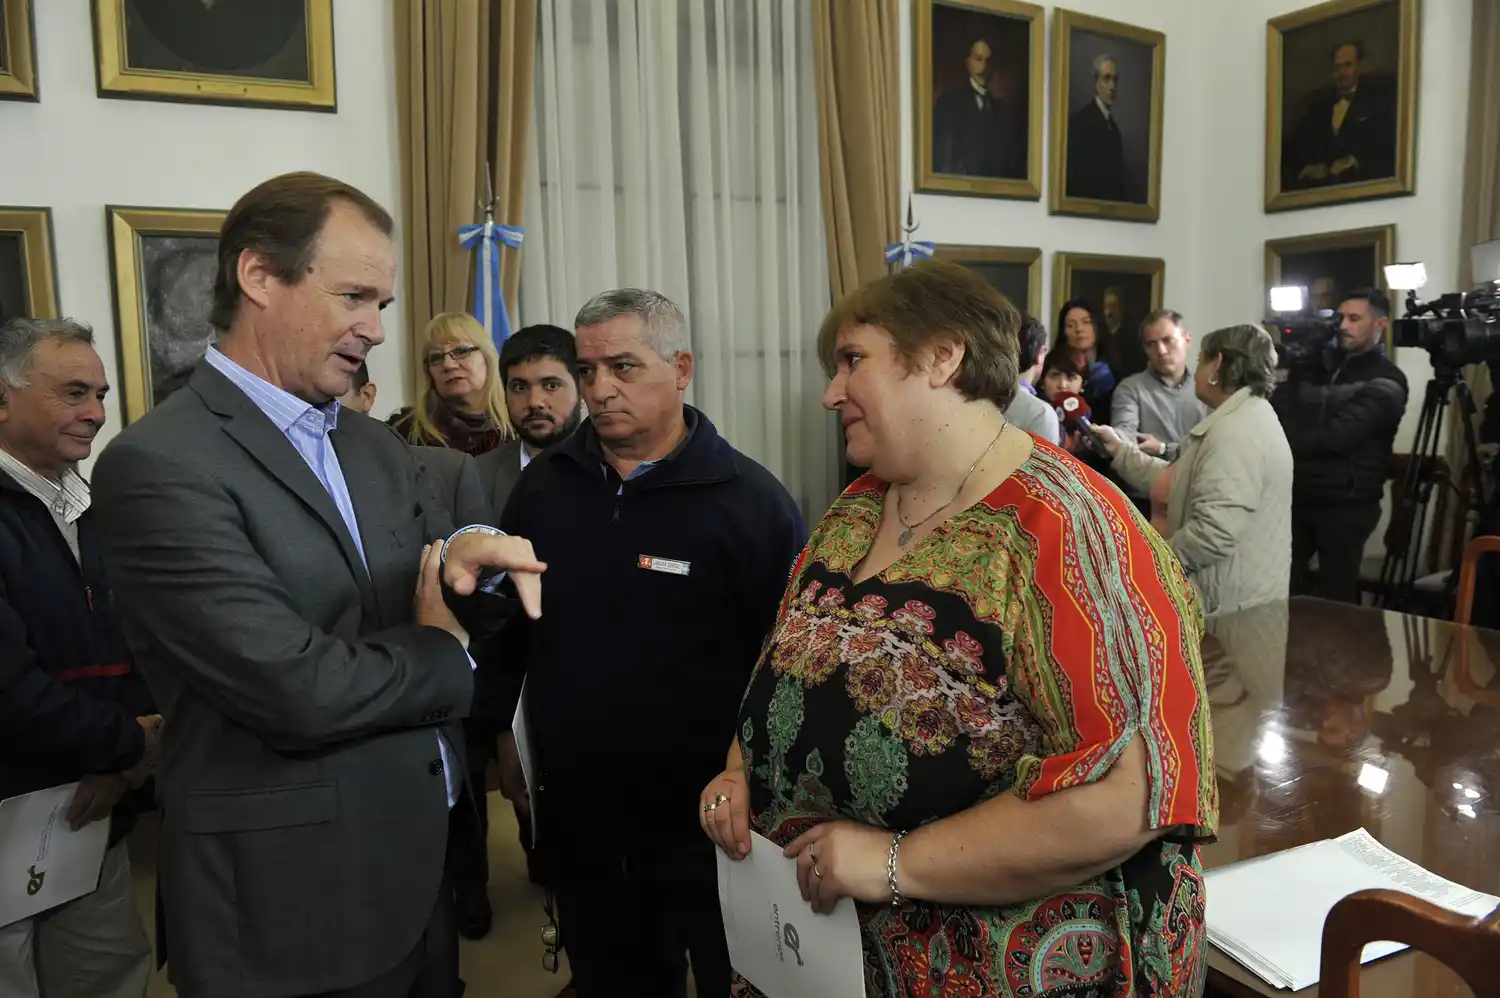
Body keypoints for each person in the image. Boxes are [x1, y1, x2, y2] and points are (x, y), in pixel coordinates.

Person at [699, 259, 1217, 997]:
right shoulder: (856, 510)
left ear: (944, 356)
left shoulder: (1073, 532)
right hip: (816, 953)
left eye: (853, 361)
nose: (830, 393)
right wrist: (738, 771)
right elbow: (780, 674)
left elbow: (1132, 794)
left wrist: (890, 864)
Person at [91, 171, 548, 998]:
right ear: (260, 276)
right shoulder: (158, 466)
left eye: (383, 303)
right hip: (287, 909)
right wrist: (447, 651)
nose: (377, 329)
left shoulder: (374, 447)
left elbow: (434, 586)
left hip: (416, 872)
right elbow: (296, 688)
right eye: (354, 298)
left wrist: (472, 570)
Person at [485, 288, 806, 998]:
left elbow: (788, 667)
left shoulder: (752, 504)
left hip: (711, 821)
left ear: (681, 366)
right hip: (583, 814)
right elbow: (510, 632)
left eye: (623, 368)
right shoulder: (544, 489)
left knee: (732, 979)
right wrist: (505, 742)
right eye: (589, 370)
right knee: (613, 979)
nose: (600, 391)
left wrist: (755, 778)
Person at [0, 317, 159, 998]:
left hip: (94, 817)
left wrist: (126, 769)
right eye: (72, 393)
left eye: (100, 393)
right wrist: (133, 746)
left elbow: (136, 649)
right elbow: (10, 691)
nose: (97, 414)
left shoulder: (88, 508)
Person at [1091, 323, 1294, 620]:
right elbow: (1178, 482)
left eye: (1200, 361)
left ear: (1218, 364)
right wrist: (1120, 451)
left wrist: (1152, 566)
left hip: (1230, 611)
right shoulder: (1240, 419)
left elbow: (1215, 531)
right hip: (1234, 603)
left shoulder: (1236, 432)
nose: (1195, 370)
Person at [1272, 288, 1407, 603]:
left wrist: (1290, 435)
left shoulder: (1388, 379)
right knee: (1279, 587)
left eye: (1354, 318)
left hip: (1348, 503)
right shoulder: (1315, 369)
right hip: (1299, 497)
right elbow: (1277, 414)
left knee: (1337, 597)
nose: (1344, 326)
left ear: (1380, 324)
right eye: (1340, 318)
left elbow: (1336, 438)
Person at [476, 323, 583, 518]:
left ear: (581, 389)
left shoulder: (618, 466)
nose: (534, 403)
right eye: (520, 387)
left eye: (551, 385)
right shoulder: (478, 476)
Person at [389, 312, 511, 456]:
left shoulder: (518, 425)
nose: (448, 365)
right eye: (436, 357)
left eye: (460, 351)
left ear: (487, 357)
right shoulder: (404, 433)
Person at [1284, 41, 1397, 190]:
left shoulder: (1379, 101)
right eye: (1337, 67)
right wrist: (1307, 167)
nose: (1341, 73)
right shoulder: (1318, 103)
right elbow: (1293, 147)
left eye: (1348, 65)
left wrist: (1354, 160)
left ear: (1360, 66)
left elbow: (1387, 147)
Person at [1111, 310, 1208, 463]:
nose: (1161, 351)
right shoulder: (1130, 389)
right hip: (1145, 482)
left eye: (1167, 340)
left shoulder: (1208, 388)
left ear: (1187, 340)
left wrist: (1164, 448)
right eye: (1151, 344)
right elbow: (1125, 438)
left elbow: (1212, 448)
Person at [932, 38, 1021, 178]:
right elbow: (943, 157)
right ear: (968, 63)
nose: (984, 66)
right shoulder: (949, 102)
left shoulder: (1001, 110)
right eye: (978, 59)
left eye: (988, 61)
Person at [1066, 53, 1127, 201]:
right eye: (1106, 79)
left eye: (1115, 79)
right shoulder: (1082, 122)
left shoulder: (1114, 128)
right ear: (1096, 82)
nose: (1112, 86)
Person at [1056, 297, 1120, 424]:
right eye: (1071, 325)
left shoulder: (1112, 374)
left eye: (1086, 322)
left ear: (1098, 326)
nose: (1079, 329)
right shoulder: (1055, 372)